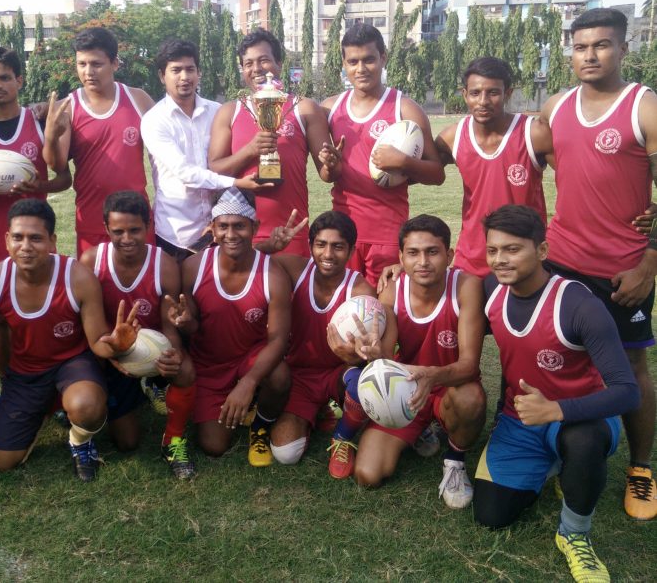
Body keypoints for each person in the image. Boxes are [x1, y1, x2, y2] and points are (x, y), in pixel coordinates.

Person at [0, 198, 138, 482]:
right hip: (26, 372)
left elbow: (96, 342)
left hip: (73, 363)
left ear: (53, 241)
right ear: (6, 240)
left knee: (86, 406)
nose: (26, 246)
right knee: (2, 461)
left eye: (36, 238)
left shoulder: (78, 278)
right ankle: (42, 409)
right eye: (18, 237)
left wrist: (115, 344)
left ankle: (81, 441)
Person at [474, 205, 640, 582]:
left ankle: (574, 533)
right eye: (493, 250)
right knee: (491, 516)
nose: (500, 260)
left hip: (580, 416)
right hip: (521, 421)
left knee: (583, 441)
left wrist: (557, 409)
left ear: (543, 251)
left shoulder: (579, 305)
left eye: (513, 249)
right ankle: (557, 466)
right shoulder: (490, 290)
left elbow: (628, 392)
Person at [535, 7, 657, 520]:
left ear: (623, 49)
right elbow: (532, 157)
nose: (590, 55)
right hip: (562, 263)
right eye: (581, 46)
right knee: (563, 360)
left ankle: (642, 469)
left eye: (602, 45)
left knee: (630, 366)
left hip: (622, 270)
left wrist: (650, 261)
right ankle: (566, 454)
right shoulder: (556, 107)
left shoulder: (643, 107)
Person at [353, 215, 486, 510]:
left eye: (432, 252)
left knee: (470, 398)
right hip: (409, 388)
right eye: (413, 253)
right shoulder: (392, 289)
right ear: (400, 257)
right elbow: (386, 355)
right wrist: (375, 355)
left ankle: (455, 460)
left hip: (449, 385)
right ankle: (423, 429)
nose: (423, 261)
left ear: (449, 255)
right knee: (368, 474)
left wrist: (432, 375)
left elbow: (469, 366)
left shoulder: (466, 286)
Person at [168, 188, 291, 466]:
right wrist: (185, 324)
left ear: (255, 227)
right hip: (209, 365)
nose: (231, 234)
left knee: (279, 376)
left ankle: (260, 425)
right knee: (213, 446)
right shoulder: (193, 268)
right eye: (223, 226)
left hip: (250, 360)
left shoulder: (273, 275)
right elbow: (192, 327)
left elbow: (278, 341)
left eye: (239, 226)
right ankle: (235, 402)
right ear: (212, 228)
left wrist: (248, 382)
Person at [79, 190, 197, 479]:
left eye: (135, 230)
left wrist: (173, 352)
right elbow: (89, 329)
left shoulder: (165, 265)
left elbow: (169, 325)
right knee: (127, 442)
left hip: (150, 349)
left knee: (185, 370)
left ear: (148, 226)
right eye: (118, 231)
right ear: (106, 229)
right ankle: (99, 407)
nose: (127, 238)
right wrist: (112, 350)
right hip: (108, 350)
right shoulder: (92, 261)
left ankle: (173, 441)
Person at [267, 210, 395, 476]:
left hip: (339, 374)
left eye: (338, 247)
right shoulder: (296, 269)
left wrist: (355, 356)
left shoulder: (360, 291)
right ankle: (317, 413)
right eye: (321, 245)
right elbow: (251, 261)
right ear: (311, 246)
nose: (327, 254)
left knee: (362, 382)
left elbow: (368, 356)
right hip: (301, 376)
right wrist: (269, 246)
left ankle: (342, 436)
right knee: (285, 453)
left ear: (350, 251)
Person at [321, 23, 444, 286]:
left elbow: (437, 173)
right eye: (353, 61)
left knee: (384, 310)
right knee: (345, 309)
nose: (361, 68)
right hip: (344, 232)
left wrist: (405, 162)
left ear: (383, 57)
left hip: (387, 233)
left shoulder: (405, 108)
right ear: (343, 62)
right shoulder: (330, 108)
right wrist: (331, 166)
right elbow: (326, 176)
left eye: (369, 59)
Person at [208, 28, 332, 257]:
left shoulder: (304, 108)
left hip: (289, 231)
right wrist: (250, 150)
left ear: (279, 62)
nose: (256, 69)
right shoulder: (229, 112)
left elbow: (326, 174)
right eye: (248, 63)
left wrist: (331, 163)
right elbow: (215, 169)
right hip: (240, 236)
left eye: (264, 60)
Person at [141, 38, 265, 262]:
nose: (184, 77)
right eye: (176, 70)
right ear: (162, 76)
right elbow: (185, 173)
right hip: (175, 231)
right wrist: (236, 183)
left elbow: (229, 158)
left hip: (221, 230)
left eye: (190, 69)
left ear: (199, 72)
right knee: (180, 294)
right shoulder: (154, 120)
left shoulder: (217, 111)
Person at [42, 27, 155, 255]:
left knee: (143, 285)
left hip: (136, 221)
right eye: (81, 64)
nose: (88, 72)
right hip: (92, 220)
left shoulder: (138, 99)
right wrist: (51, 136)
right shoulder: (68, 107)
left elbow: (163, 154)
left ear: (114, 63)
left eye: (96, 64)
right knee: (94, 288)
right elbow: (57, 165)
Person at [0, 46, 71, 275]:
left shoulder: (40, 122)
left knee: (40, 298)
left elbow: (64, 179)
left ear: (19, 81)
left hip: (36, 235)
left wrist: (40, 186)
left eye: (5, 78)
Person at [434, 57, 547, 277]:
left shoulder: (533, 134)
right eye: (475, 93)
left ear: (508, 93)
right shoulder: (451, 137)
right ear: (465, 94)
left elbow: (576, 179)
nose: (483, 101)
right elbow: (423, 172)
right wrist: (399, 161)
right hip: (472, 258)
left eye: (493, 92)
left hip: (523, 258)